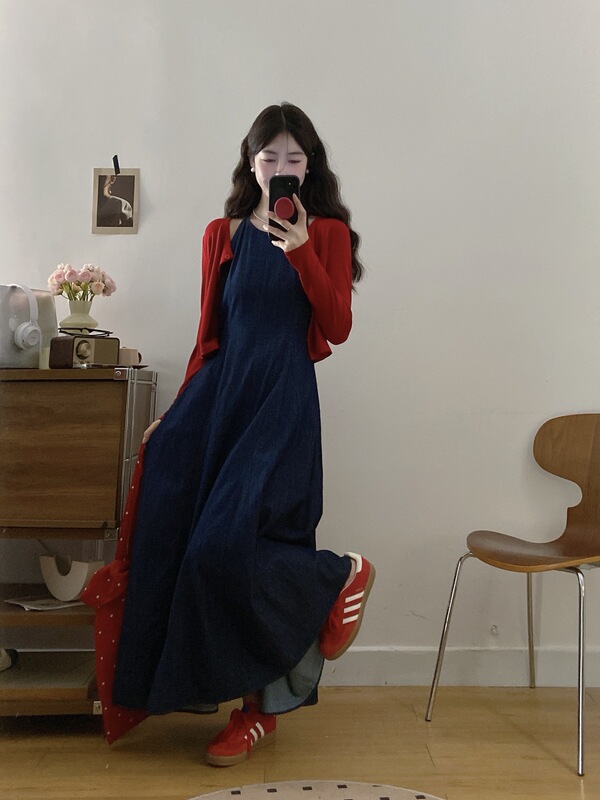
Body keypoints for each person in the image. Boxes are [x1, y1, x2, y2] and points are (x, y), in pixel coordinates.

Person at [82, 102, 375, 766]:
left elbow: (336, 326)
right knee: (187, 537)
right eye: (269, 157)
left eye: (294, 158)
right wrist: (177, 411)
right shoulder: (222, 234)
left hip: (282, 399)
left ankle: (336, 580)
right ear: (251, 162)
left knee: (237, 546)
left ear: (310, 167)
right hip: (221, 396)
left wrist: (302, 253)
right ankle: (244, 705)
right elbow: (208, 334)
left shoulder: (326, 233)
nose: (280, 168)